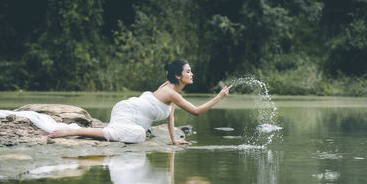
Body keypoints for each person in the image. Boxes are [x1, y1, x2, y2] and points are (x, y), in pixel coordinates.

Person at [49, 60, 232, 144]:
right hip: (128, 111)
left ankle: (75, 131)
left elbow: (171, 115)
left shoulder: (172, 89)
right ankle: (71, 131)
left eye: (191, 71)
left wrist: (174, 140)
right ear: (178, 75)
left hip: (131, 113)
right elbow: (197, 112)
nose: (192, 74)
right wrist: (219, 97)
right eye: (188, 71)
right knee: (134, 136)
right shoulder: (171, 91)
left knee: (137, 135)